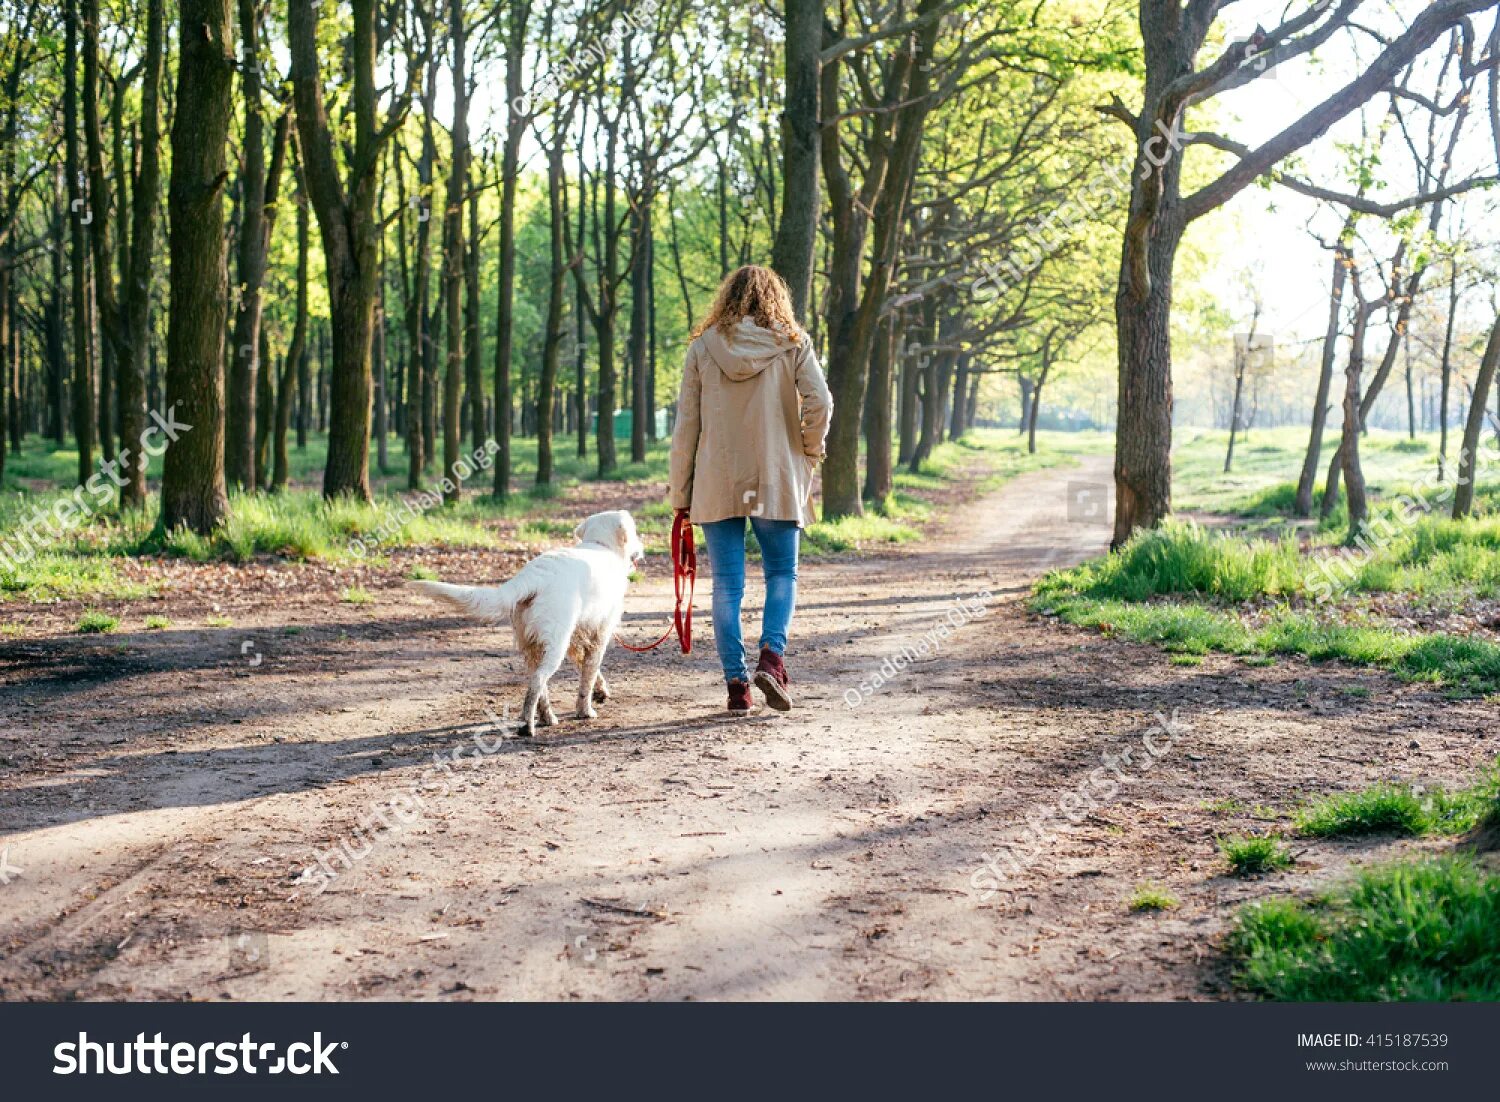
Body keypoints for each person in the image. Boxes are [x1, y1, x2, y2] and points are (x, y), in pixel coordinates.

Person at [668, 265, 833, 714]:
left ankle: (737, 685)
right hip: (776, 474)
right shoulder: (793, 343)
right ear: (776, 298)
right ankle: (772, 657)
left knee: (727, 584)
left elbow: (687, 426)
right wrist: (808, 452)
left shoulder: (703, 348)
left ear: (728, 298)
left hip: (716, 478)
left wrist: (680, 495)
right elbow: (821, 402)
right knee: (782, 573)